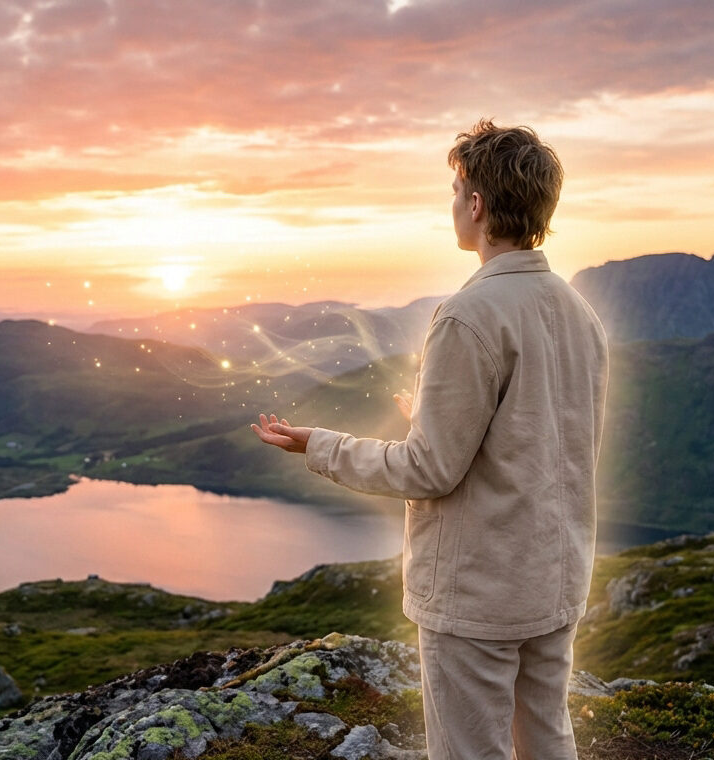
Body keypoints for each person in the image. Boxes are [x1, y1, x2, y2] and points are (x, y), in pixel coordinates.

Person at [250, 119, 609, 760]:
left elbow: (427, 471)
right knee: (548, 736)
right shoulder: (578, 312)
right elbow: (543, 435)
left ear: (477, 204)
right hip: (554, 580)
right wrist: (437, 417)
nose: (452, 204)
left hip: (479, 592)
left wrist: (320, 446)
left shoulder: (468, 316)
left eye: (455, 191)